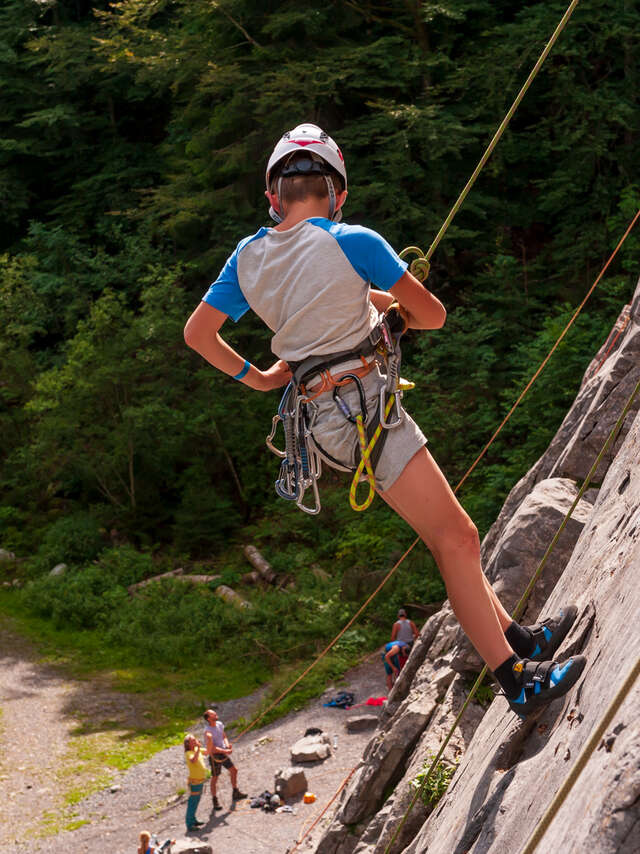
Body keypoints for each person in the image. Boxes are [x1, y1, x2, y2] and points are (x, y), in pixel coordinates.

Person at [184, 122, 585, 719]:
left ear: (274, 196)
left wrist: (263, 377)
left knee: (447, 538)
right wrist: (396, 310)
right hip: (367, 410)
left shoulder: (249, 258)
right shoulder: (354, 240)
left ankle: (520, 641)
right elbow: (433, 316)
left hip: (328, 419)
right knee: (459, 539)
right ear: (337, 191)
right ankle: (516, 680)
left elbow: (199, 333)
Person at [203, 708, 247, 809]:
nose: (215, 715)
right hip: (215, 756)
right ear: (209, 719)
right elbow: (212, 748)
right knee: (215, 778)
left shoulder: (219, 724)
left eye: (215, 713)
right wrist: (225, 751)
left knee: (234, 770)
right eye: (213, 714)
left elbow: (224, 736)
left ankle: (235, 791)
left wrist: (227, 745)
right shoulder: (207, 732)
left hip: (222, 753)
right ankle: (215, 800)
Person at [183, 734, 207, 832]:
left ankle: (193, 820)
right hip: (195, 782)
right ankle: (189, 824)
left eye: (195, 740)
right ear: (188, 744)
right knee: (192, 802)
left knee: (196, 801)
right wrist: (198, 749)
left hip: (200, 780)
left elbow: (208, 751)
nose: (195, 741)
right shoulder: (189, 753)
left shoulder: (197, 750)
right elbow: (193, 760)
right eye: (192, 740)